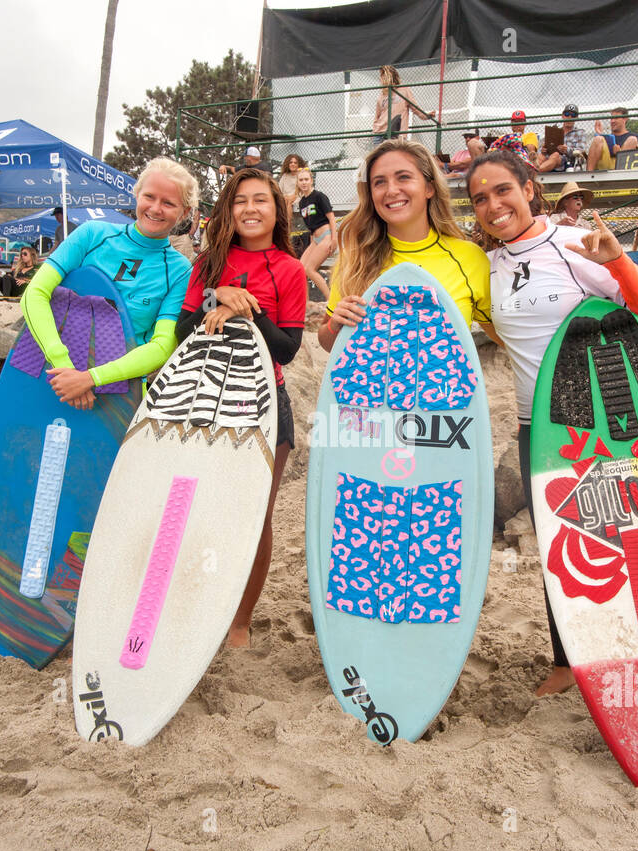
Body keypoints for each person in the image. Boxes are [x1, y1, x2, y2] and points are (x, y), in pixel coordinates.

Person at [467, 148, 638, 696]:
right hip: (539, 426)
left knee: (627, 538)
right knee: (561, 545)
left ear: (529, 189)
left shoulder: (574, 244)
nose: (492, 204)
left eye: (502, 190)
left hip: (603, 419)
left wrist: (618, 260)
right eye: (480, 198)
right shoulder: (490, 266)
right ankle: (566, 660)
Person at [171, 167, 306, 649]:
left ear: (277, 210)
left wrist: (245, 304)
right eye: (240, 201)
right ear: (228, 210)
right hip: (203, 401)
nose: (250, 208)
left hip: (265, 404)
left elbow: (288, 348)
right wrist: (217, 293)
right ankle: (196, 603)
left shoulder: (289, 269)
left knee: (254, 515)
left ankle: (241, 622)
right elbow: (181, 332)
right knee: (200, 510)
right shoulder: (207, 263)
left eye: (261, 200)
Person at [21, 156, 198, 410]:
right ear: (137, 195)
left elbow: (162, 346)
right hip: (51, 374)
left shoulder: (181, 271)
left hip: (117, 392)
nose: (156, 208)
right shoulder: (92, 234)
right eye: (149, 196)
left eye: (169, 203)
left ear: (185, 212)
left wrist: (89, 379)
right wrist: (63, 366)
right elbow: (34, 294)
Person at [318, 139, 490, 354]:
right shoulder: (356, 259)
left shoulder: (469, 258)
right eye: (379, 182)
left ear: (429, 188)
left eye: (404, 177)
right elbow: (328, 343)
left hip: (444, 388)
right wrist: (335, 325)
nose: (391, 190)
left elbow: (511, 338)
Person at [295, 167, 337, 297]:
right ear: (297, 182)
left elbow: (331, 218)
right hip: (316, 239)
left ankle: (330, 300)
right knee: (300, 269)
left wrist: (334, 239)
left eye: (306, 179)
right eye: (301, 180)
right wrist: (313, 241)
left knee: (310, 269)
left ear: (311, 180)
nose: (304, 182)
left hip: (326, 236)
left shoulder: (319, 196)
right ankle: (305, 303)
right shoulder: (302, 203)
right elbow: (310, 225)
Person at [371, 65, 436, 144]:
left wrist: (426, 115)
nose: (380, 79)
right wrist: (374, 130)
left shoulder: (404, 90)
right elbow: (377, 116)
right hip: (379, 133)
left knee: (395, 155)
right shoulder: (382, 94)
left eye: (382, 76)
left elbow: (415, 108)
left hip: (396, 133)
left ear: (389, 77)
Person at [586, 106, 638, 171]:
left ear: (625, 119)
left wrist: (619, 154)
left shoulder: (635, 136)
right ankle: (588, 175)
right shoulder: (607, 137)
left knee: (632, 140)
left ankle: (618, 173)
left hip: (623, 168)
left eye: (616, 118)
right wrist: (599, 133)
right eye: (611, 118)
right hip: (606, 166)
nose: (612, 121)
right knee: (598, 139)